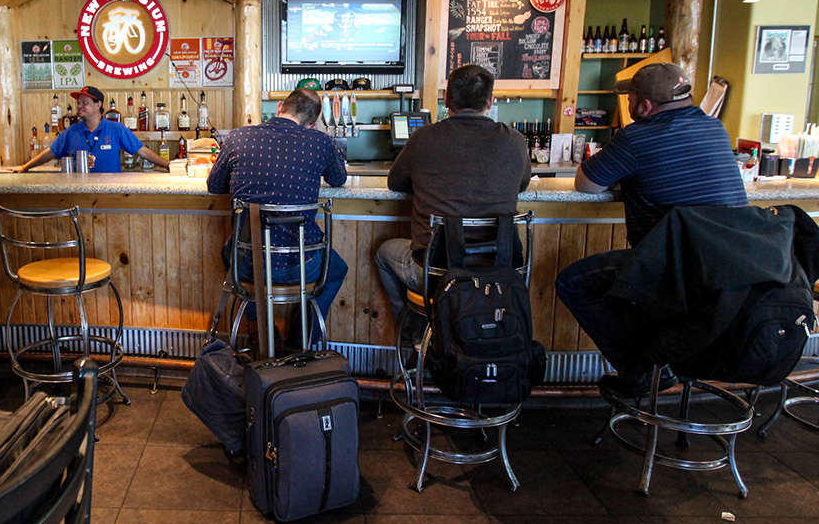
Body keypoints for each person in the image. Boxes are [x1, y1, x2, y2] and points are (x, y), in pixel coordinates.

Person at [556, 62, 749, 394]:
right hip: (733, 273)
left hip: (678, 271)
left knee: (573, 283)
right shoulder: (715, 128)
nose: (627, 105)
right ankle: (663, 356)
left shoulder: (635, 138)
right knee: (634, 285)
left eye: (629, 98)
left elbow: (586, 184)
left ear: (644, 106)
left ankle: (642, 369)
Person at [375, 64, 530, 343]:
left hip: (435, 272)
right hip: (499, 271)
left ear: (446, 100)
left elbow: (395, 183)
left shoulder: (423, 138)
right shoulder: (515, 141)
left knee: (383, 253)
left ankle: (414, 332)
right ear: (490, 101)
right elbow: (522, 185)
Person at [206, 88, 348, 349]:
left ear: (280, 106)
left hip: (248, 263)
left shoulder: (238, 137)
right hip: (303, 263)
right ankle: (299, 343)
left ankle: (263, 332)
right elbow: (339, 179)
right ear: (313, 124)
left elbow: (214, 185)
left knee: (233, 254)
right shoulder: (320, 141)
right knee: (337, 269)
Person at [14, 86, 169, 173]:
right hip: (79, 190)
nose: (79, 106)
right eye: (78, 103)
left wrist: (167, 165)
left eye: (84, 103)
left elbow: (142, 151)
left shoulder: (116, 129)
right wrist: (25, 167)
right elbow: (50, 153)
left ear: (98, 104)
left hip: (111, 191)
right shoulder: (72, 131)